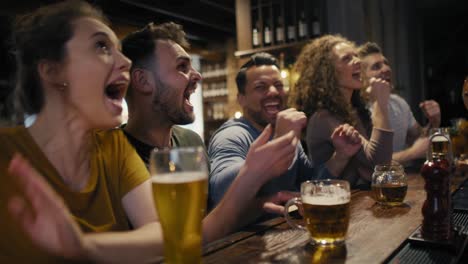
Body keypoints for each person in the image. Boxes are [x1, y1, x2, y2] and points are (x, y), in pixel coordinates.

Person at [0, 1, 301, 262]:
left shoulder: (111, 148)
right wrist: (250, 176)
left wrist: (83, 247)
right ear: (52, 71)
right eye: (101, 46)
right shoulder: (8, 153)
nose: (126, 63)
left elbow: (168, 235)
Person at [208, 52, 362, 224]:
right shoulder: (232, 135)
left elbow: (309, 184)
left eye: (278, 85)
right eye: (261, 87)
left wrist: (340, 155)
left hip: (287, 230)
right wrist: (278, 142)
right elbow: (219, 191)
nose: (273, 92)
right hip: (246, 243)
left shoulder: (284, 131)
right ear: (241, 99)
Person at [289, 35, 394, 188]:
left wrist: (368, 168)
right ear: (327, 72)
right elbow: (380, 164)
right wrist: (381, 104)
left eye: (356, 56)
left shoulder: (353, 109)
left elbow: (379, 166)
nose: (358, 61)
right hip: (329, 204)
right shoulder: (324, 117)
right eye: (347, 59)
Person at [121, 22, 207, 168]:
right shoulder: (111, 156)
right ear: (143, 80)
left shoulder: (192, 142)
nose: (198, 75)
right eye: (182, 66)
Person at [358, 42, 441, 165]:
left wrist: (434, 122)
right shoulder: (356, 110)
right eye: (376, 66)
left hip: (402, 179)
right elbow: (369, 164)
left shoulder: (398, 102)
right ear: (361, 77)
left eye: (386, 63)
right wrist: (412, 153)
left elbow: (418, 140)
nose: (386, 69)